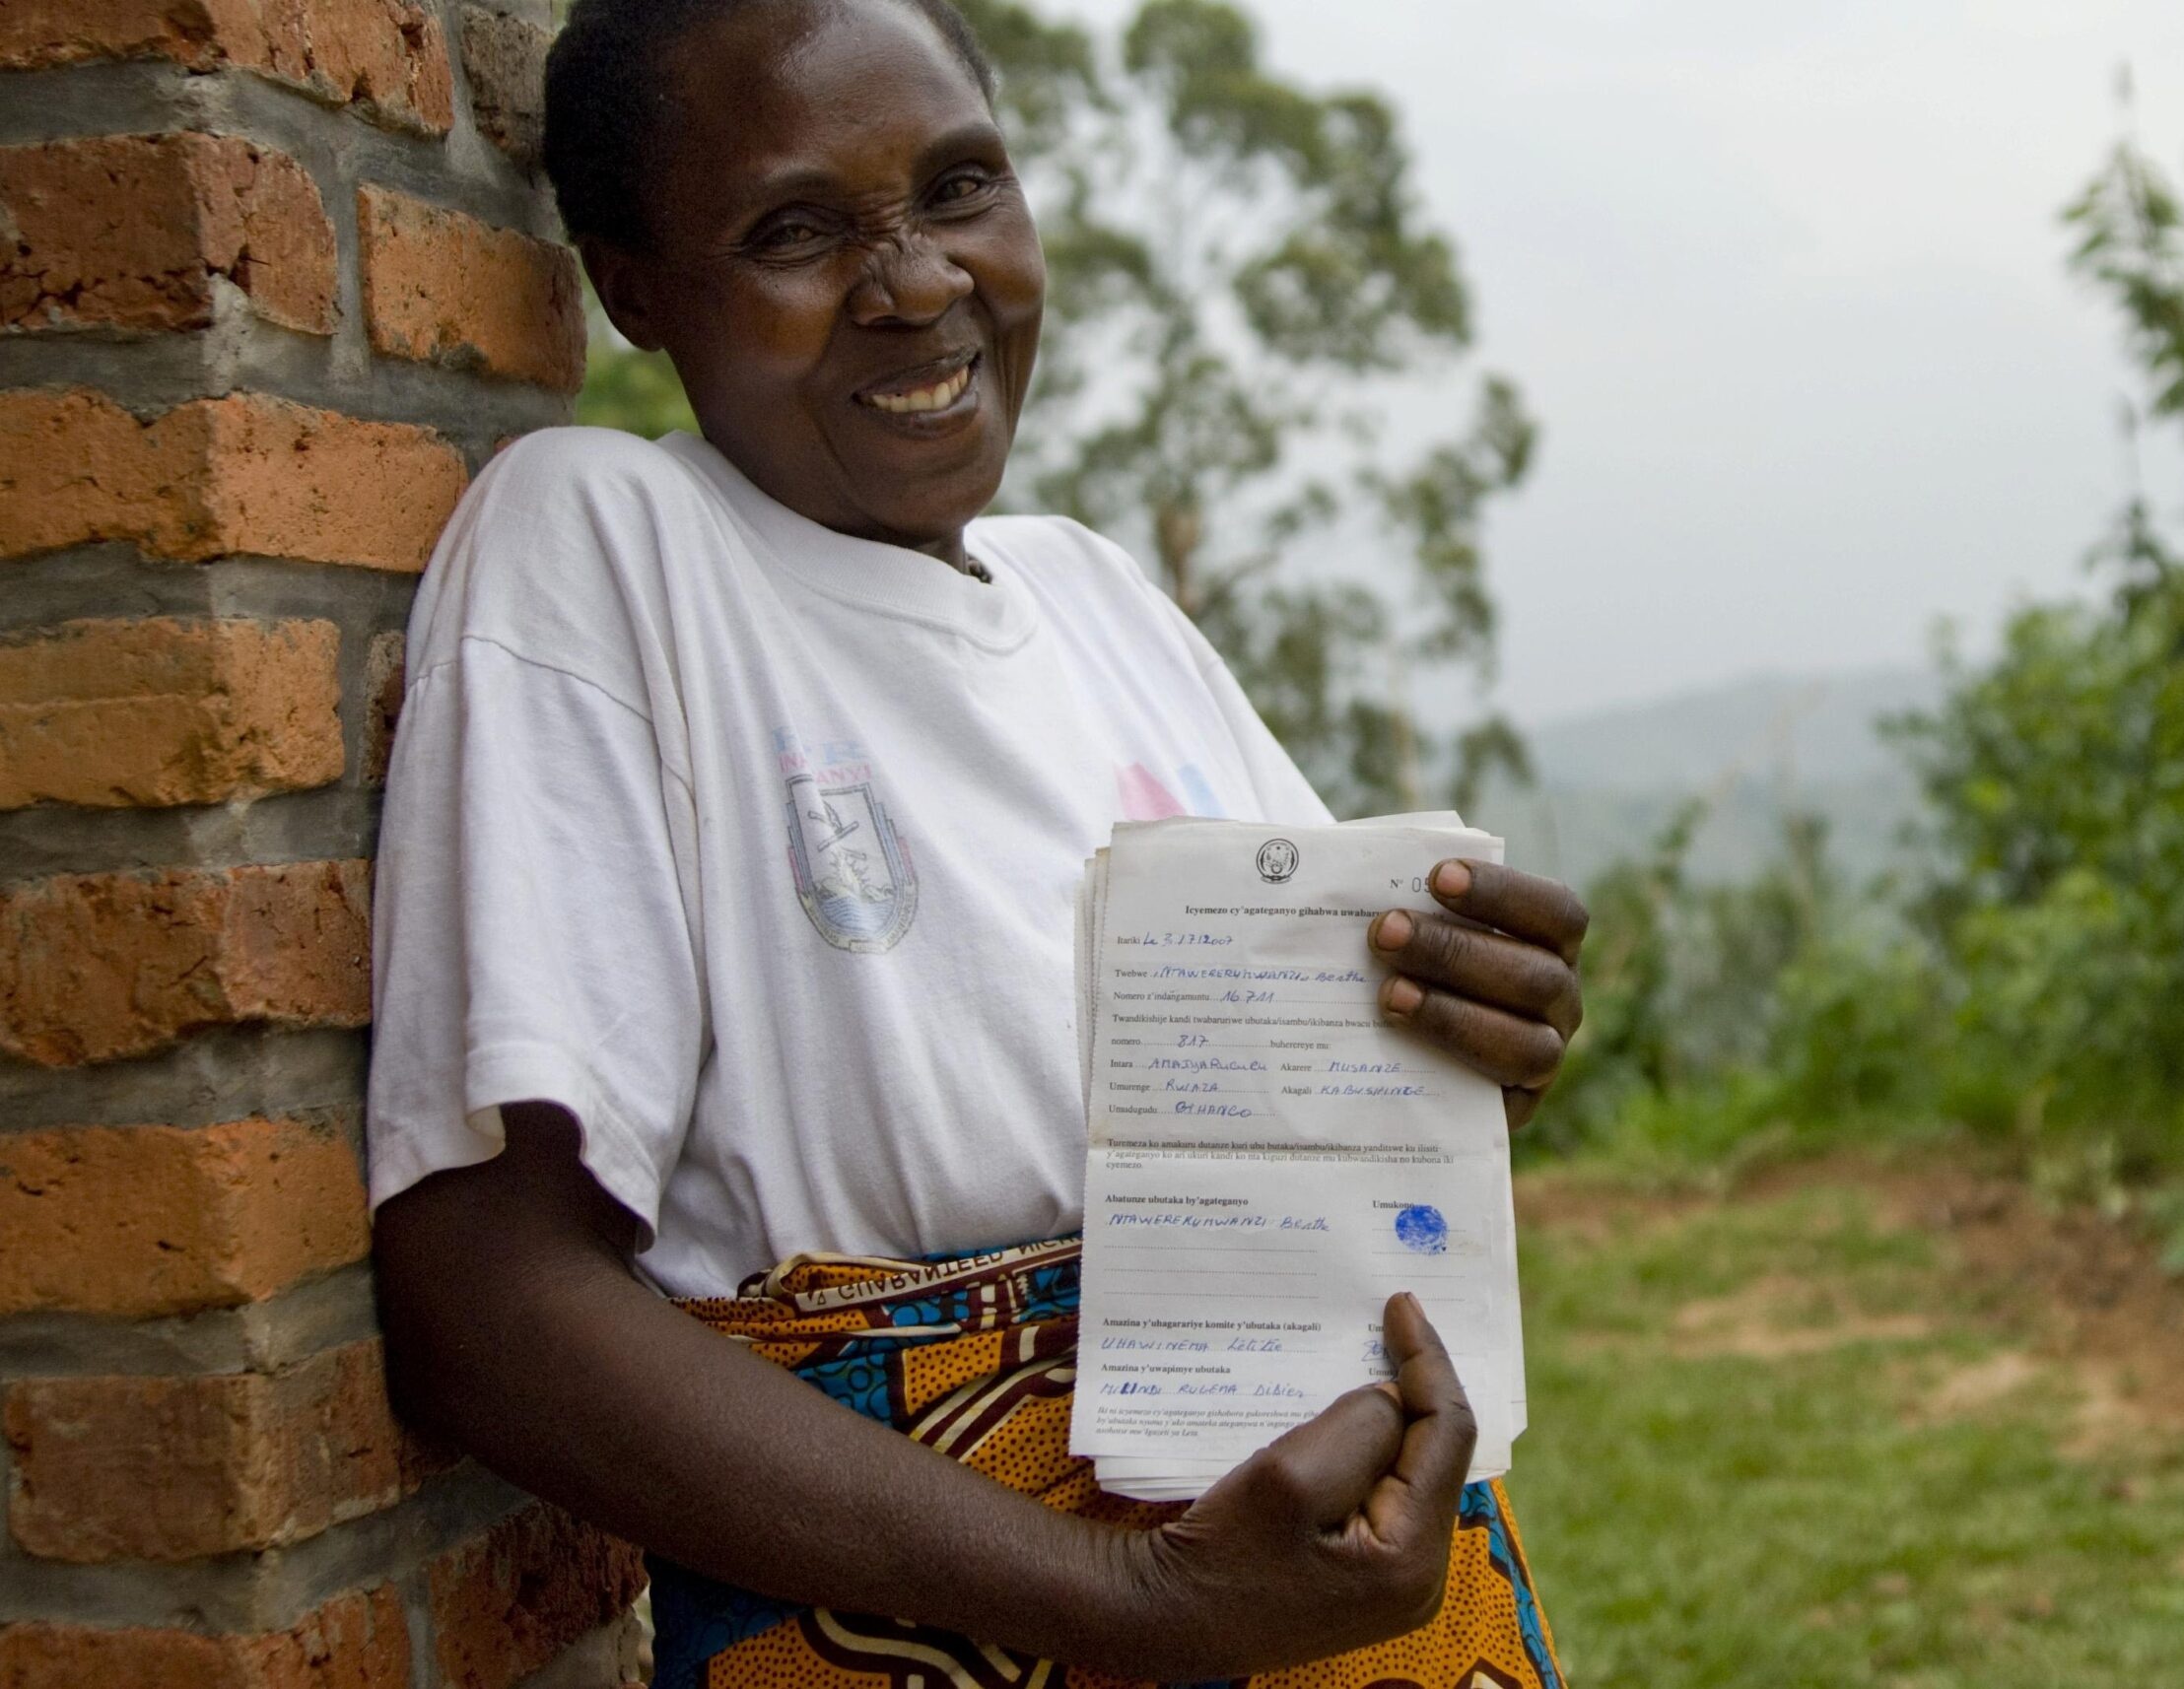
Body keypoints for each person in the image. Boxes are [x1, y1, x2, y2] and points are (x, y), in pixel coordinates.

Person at [366, 0, 1587, 1683]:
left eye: (959, 191)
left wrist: (1468, 1042)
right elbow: (486, 1305)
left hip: (1339, 1581)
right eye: (796, 230)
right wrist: (1128, 1603)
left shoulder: (1095, 598)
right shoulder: (610, 544)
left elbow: (1343, 1109)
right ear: (632, 286)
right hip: (933, 1618)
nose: (918, 284)